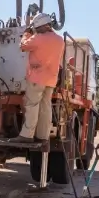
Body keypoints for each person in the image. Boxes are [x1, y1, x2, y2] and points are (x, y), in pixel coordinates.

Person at [11, 12, 65, 144]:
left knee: (32, 105)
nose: (37, 30)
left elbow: (22, 46)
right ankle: (42, 136)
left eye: (37, 28)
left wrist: (26, 34)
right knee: (45, 107)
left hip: (36, 78)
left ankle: (27, 135)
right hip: (51, 79)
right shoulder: (60, 40)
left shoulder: (37, 38)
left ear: (43, 26)